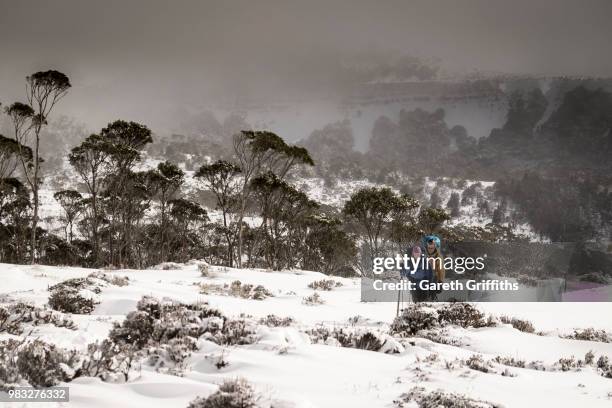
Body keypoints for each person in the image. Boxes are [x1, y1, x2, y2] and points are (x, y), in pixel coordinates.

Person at [422, 235, 445, 299]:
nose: (430, 249)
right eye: (429, 247)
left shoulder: (438, 257)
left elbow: (441, 270)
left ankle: (432, 298)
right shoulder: (424, 254)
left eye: (432, 247)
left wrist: (440, 281)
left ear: (435, 247)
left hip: (434, 277)